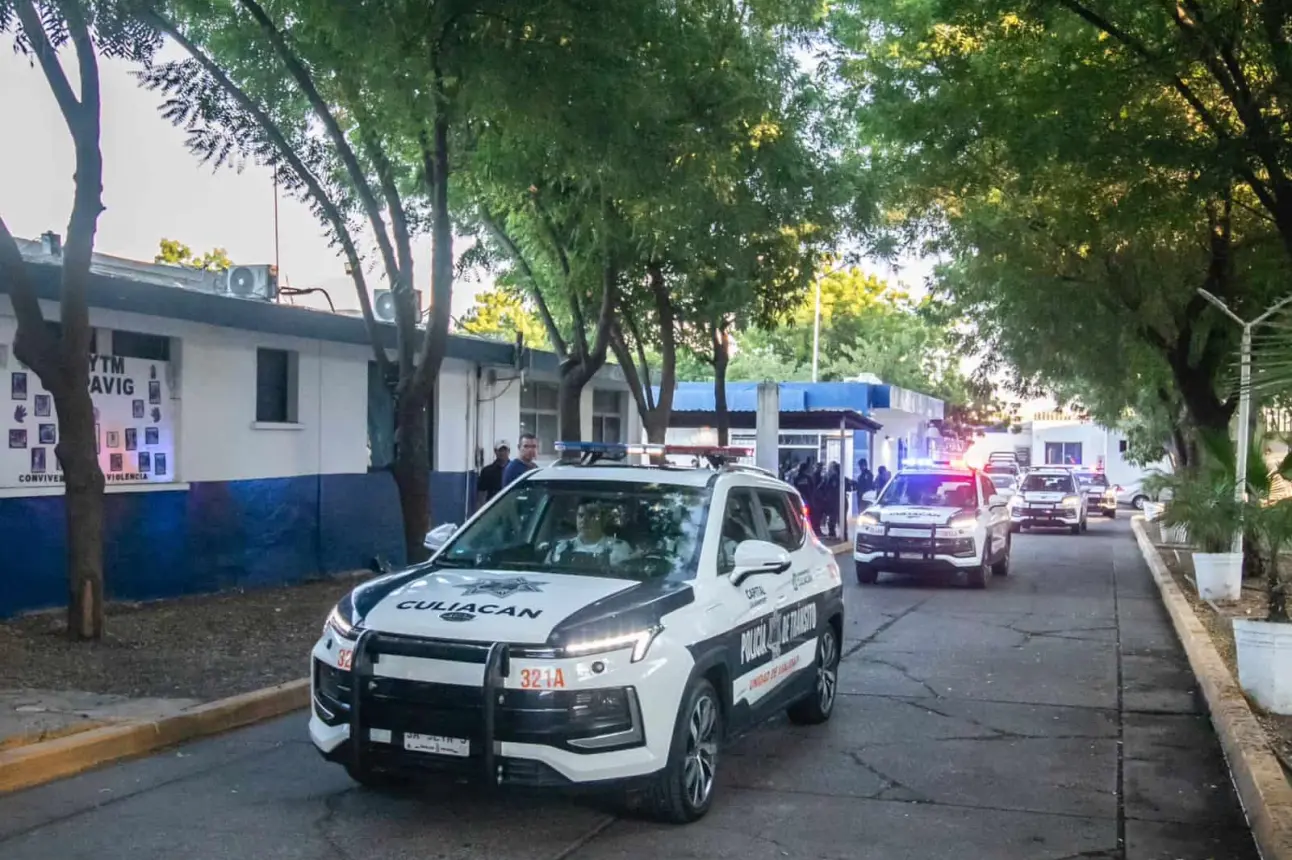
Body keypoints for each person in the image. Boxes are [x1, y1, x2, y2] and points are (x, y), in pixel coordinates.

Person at [548, 500, 633, 567]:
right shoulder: (560, 548)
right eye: (581, 516)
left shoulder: (619, 548)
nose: (584, 521)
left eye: (592, 516)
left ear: (603, 520)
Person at [476, 440, 510, 507]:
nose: (502, 453)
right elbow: (481, 493)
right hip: (493, 506)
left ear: (509, 451)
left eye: (505, 450)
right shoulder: (486, 471)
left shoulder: (514, 469)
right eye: (500, 450)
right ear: (495, 451)